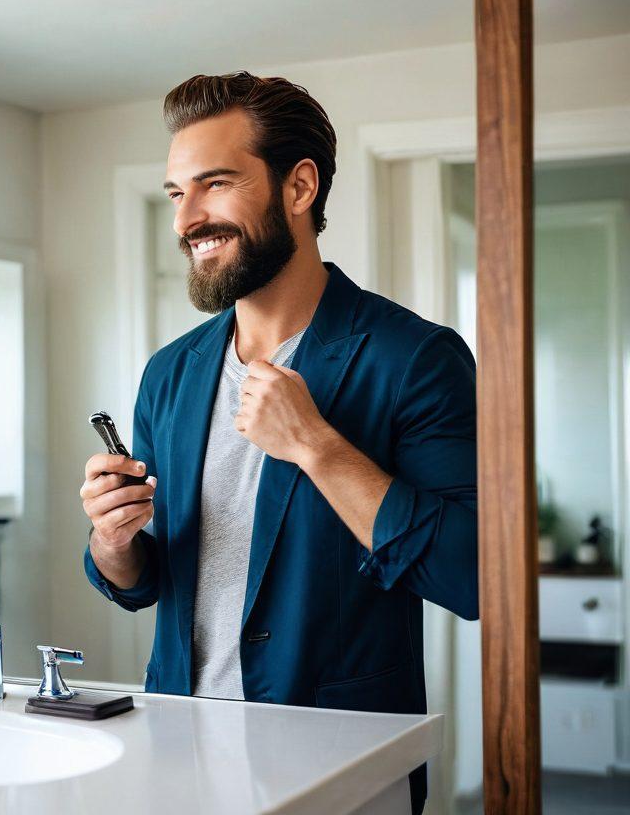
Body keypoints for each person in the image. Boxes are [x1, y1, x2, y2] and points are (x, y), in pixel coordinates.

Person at [81, 72, 478, 815]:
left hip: (344, 767)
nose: (187, 220)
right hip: (180, 754)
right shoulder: (169, 374)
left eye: (215, 184)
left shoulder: (416, 359)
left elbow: (473, 576)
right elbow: (144, 579)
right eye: (176, 194)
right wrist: (114, 539)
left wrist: (319, 449)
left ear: (299, 188)